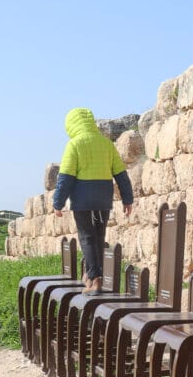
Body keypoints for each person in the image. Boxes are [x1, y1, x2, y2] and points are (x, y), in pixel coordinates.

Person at [52, 107, 134, 295]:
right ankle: (91, 276)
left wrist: (58, 203)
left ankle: (95, 279)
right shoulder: (106, 144)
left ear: (72, 125)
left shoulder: (74, 145)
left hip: (83, 200)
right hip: (103, 199)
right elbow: (121, 175)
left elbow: (65, 178)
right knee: (99, 237)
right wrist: (127, 199)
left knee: (87, 238)